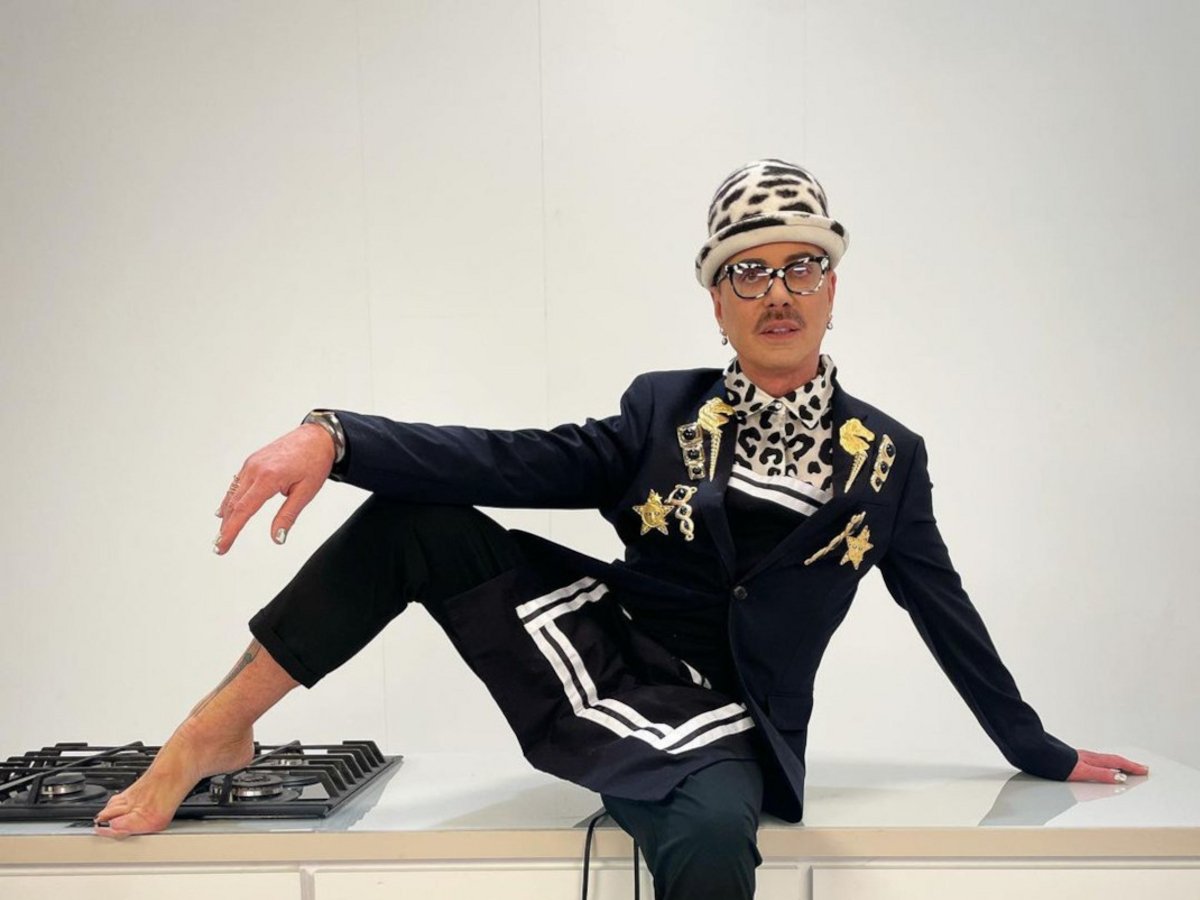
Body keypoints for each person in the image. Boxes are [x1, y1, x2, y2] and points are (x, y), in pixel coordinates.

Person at [94, 159, 1147, 899]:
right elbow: (505, 460)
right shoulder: (660, 411)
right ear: (717, 299)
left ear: (833, 286)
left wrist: (1037, 748)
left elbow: (942, 608)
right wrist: (336, 435)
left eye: (802, 267)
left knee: (712, 834)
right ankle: (212, 731)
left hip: (729, 723)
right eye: (749, 271)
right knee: (415, 520)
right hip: (604, 655)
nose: (778, 292)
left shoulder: (890, 459)